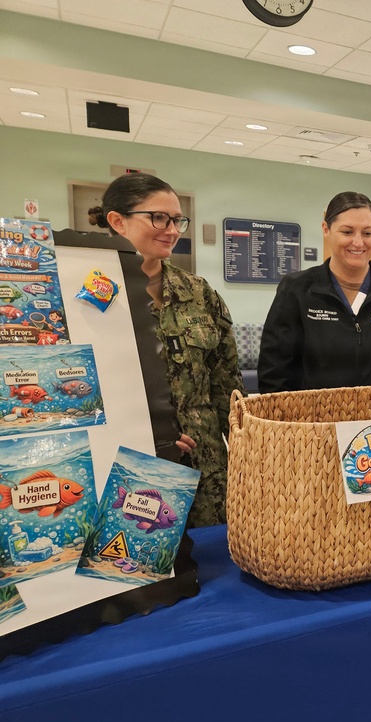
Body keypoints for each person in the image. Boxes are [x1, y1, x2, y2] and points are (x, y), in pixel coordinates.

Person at [93, 173, 243, 527]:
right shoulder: (90, 296)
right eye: (159, 217)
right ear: (117, 221)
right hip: (133, 462)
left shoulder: (198, 292)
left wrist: (246, 451)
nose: (172, 229)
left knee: (214, 563)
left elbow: (227, 384)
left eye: (177, 220)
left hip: (208, 471)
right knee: (143, 561)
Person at [258, 191, 371, 392]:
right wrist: (287, 421)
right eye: (347, 232)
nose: (358, 242)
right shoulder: (297, 290)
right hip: (315, 420)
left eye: (367, 233)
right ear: (326, 229)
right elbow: (274, 372)